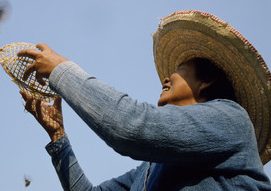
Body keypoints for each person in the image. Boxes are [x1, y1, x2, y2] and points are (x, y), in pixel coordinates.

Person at [17, 10, 271, 190]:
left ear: (207, 81)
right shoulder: (151, 168)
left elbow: (130, 126)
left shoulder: (231, 119)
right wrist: (59, 137)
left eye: (180, 67)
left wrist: (61, 70)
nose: (167, 78)